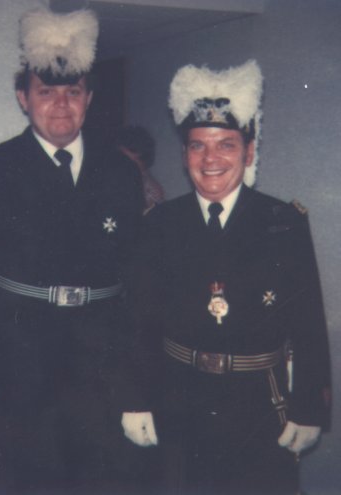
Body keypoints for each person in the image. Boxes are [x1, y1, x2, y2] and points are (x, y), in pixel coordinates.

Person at [0, 7, 145, 494]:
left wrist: (140, 380)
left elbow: (139, 280)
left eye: (73, 92)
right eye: (46, 92)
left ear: (89, 99)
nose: (61, 105)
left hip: (100, 365)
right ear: (23, 98)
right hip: (18, 362)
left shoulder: (120, 173)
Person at [125, 60, 331, 494]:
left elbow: (308, 323)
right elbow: (140, 321)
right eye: (197, 146)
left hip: (257, 404)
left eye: (226, 145)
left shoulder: (282, 222)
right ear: (184, 155)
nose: (210, 159)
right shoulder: (160, 223)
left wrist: (310, 408)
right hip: (177, 398)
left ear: (249, 152)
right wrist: (135, 399)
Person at [116, 125, 165, 214]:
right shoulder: (115, 180)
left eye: (128, 160)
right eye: (120, 157)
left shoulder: (151, 192)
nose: (122, 163)